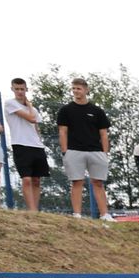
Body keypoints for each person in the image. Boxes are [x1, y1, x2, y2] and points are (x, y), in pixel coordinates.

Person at [55, 77, 112, 220]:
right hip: (74, 151)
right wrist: (65, 152)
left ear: (86, 90)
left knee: (98, 183)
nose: (75, 91)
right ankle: (77, 214)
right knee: (77, 182)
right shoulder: (65, 110)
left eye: (78, 88)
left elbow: (104, 133)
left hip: (96, 151)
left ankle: (105, 214)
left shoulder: (97, 111)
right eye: (73, 88)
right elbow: (62, 131)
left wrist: (105, 153)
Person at [3, 77, 46, 211]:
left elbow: (36, 126)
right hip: (20, 144)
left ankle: (36, 210)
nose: (20, 92)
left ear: (26, 89)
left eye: (22, 89)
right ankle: (32, 210)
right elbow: (31, 118)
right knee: (26, 179)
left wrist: (39, 141)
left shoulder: (33, 109)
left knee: (36, 180)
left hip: (36, 146)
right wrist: (30, 106)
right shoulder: (10, 103)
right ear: (12, 89)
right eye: (17, 89)